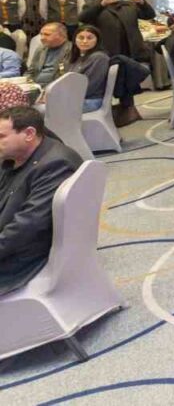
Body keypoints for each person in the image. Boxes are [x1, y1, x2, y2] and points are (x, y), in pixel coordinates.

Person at [0, 106, 83, 296]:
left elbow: (27, 226)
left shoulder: (55, 164)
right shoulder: (15, 157)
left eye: (1, 136)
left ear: (29, 134)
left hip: (23, 257)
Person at [78, 0, 156, 126]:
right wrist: (102, 4)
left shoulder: (129, 4)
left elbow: (149, 15)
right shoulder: (94, 6)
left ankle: (128, 108)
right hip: (109, 49)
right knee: (111, 81)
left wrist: (142, 2)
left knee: (127, 78)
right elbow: (83, 18)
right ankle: (115, 110)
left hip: (131, 48)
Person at [68, 25, 111, 112]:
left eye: (89, 38)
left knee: (44, 109)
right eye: (81, 38)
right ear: (74, 40)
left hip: (91, 100)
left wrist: (61, 96)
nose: (84, 41)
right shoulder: (76, 57)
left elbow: (89, 87)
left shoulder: (100, 58)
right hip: (75, 97)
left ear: (97, 40)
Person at [28, 22, 72, 87]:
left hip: (55, 87)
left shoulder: (71, 50)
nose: (42, 38)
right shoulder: (41, 49)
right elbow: (30, 71)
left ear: (61, 35)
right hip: (35, 85)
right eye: (41, 34)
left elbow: (64, 76)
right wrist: (29, 84)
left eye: (47, 35)